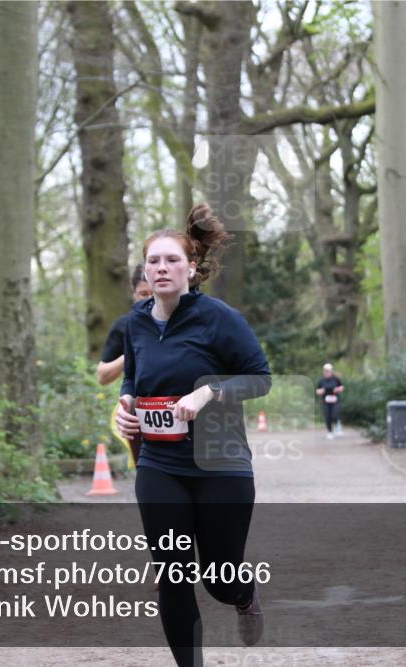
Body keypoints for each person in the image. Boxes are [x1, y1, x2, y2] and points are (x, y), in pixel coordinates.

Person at [115, 204, 271, 667]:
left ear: (192, 268)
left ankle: (243, 595)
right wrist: (127, 408)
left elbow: (260, 377)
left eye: (172, 260)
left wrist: (208, 393)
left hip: (221, 463)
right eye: (154, 261)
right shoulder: (135, 323)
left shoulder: (220, 319)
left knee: (218, 576)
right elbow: (133, 381)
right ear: (145, 270)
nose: (162, 268)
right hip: (161, 465)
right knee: (172, 574)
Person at [96, 265, 153, 386]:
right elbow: (102, 376)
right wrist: (133, 352)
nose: (150, 299)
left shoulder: (183, 319)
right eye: (143, 294)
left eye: (154, 293)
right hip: (138, 399)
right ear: (134, 293)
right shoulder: (124, 325)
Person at [316, 362, 344, 439]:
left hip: (335, 400)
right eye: (325, 371)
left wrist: (337, 389)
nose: (326, 372)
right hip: (326, 401)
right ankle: (330, 432)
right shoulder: (321, 380)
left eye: (328, 371)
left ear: (331, 371)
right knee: (327, 416)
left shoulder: (336, 379)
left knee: (334, 414)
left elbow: (341, 387)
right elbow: (317, 390)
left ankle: (338, 425)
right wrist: (320, 391)